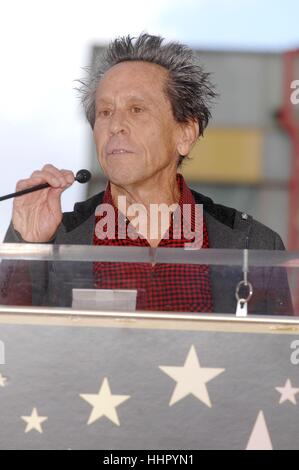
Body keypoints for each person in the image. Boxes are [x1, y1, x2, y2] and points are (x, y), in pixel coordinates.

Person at [2, 33, 293, 314]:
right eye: (105, 112)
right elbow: (13, 348)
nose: (115, 125)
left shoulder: (253, 246)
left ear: (185, 133)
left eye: (137, 109)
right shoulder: (55, 241)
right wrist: (24, 247)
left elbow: (272, 360)